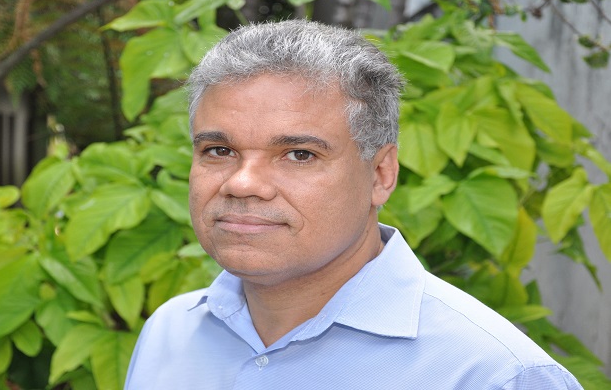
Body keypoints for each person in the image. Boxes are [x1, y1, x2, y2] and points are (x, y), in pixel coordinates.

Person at [123, 20, 582, 389]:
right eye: (219, 150)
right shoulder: (170, 333)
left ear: (381, 174)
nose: (242, 183)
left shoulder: (494, 375)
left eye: (299, 155)